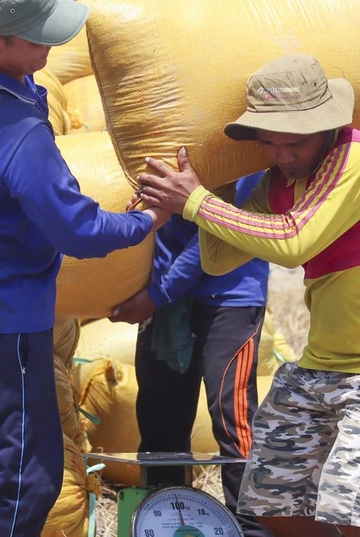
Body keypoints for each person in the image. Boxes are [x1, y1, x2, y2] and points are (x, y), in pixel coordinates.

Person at [135, 54, 360, 537]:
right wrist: (212, 187)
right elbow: (218, 260)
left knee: (352, 504)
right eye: (269, 143)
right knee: (272, 498)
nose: (282, 155)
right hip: (326, 360)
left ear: (326, 127)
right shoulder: (278, 181)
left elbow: (293, 242)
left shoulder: (357, 156)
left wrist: (196, 202)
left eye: (295, 143)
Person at [0, 0, 170, 536]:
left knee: (20, 463)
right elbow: (77, 230)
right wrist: (147, 220)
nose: (50, 50)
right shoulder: (17, 135)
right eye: (38, 39)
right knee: (25, 478)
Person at [111, 172, 271, 537]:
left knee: (234, 424)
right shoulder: (160, 133)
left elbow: (217, 229)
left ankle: (253, 530)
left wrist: (156, 295)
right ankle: (158, 526)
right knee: (159, 428)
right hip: (164, 294)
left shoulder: (238, 148)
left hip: (230, 294)